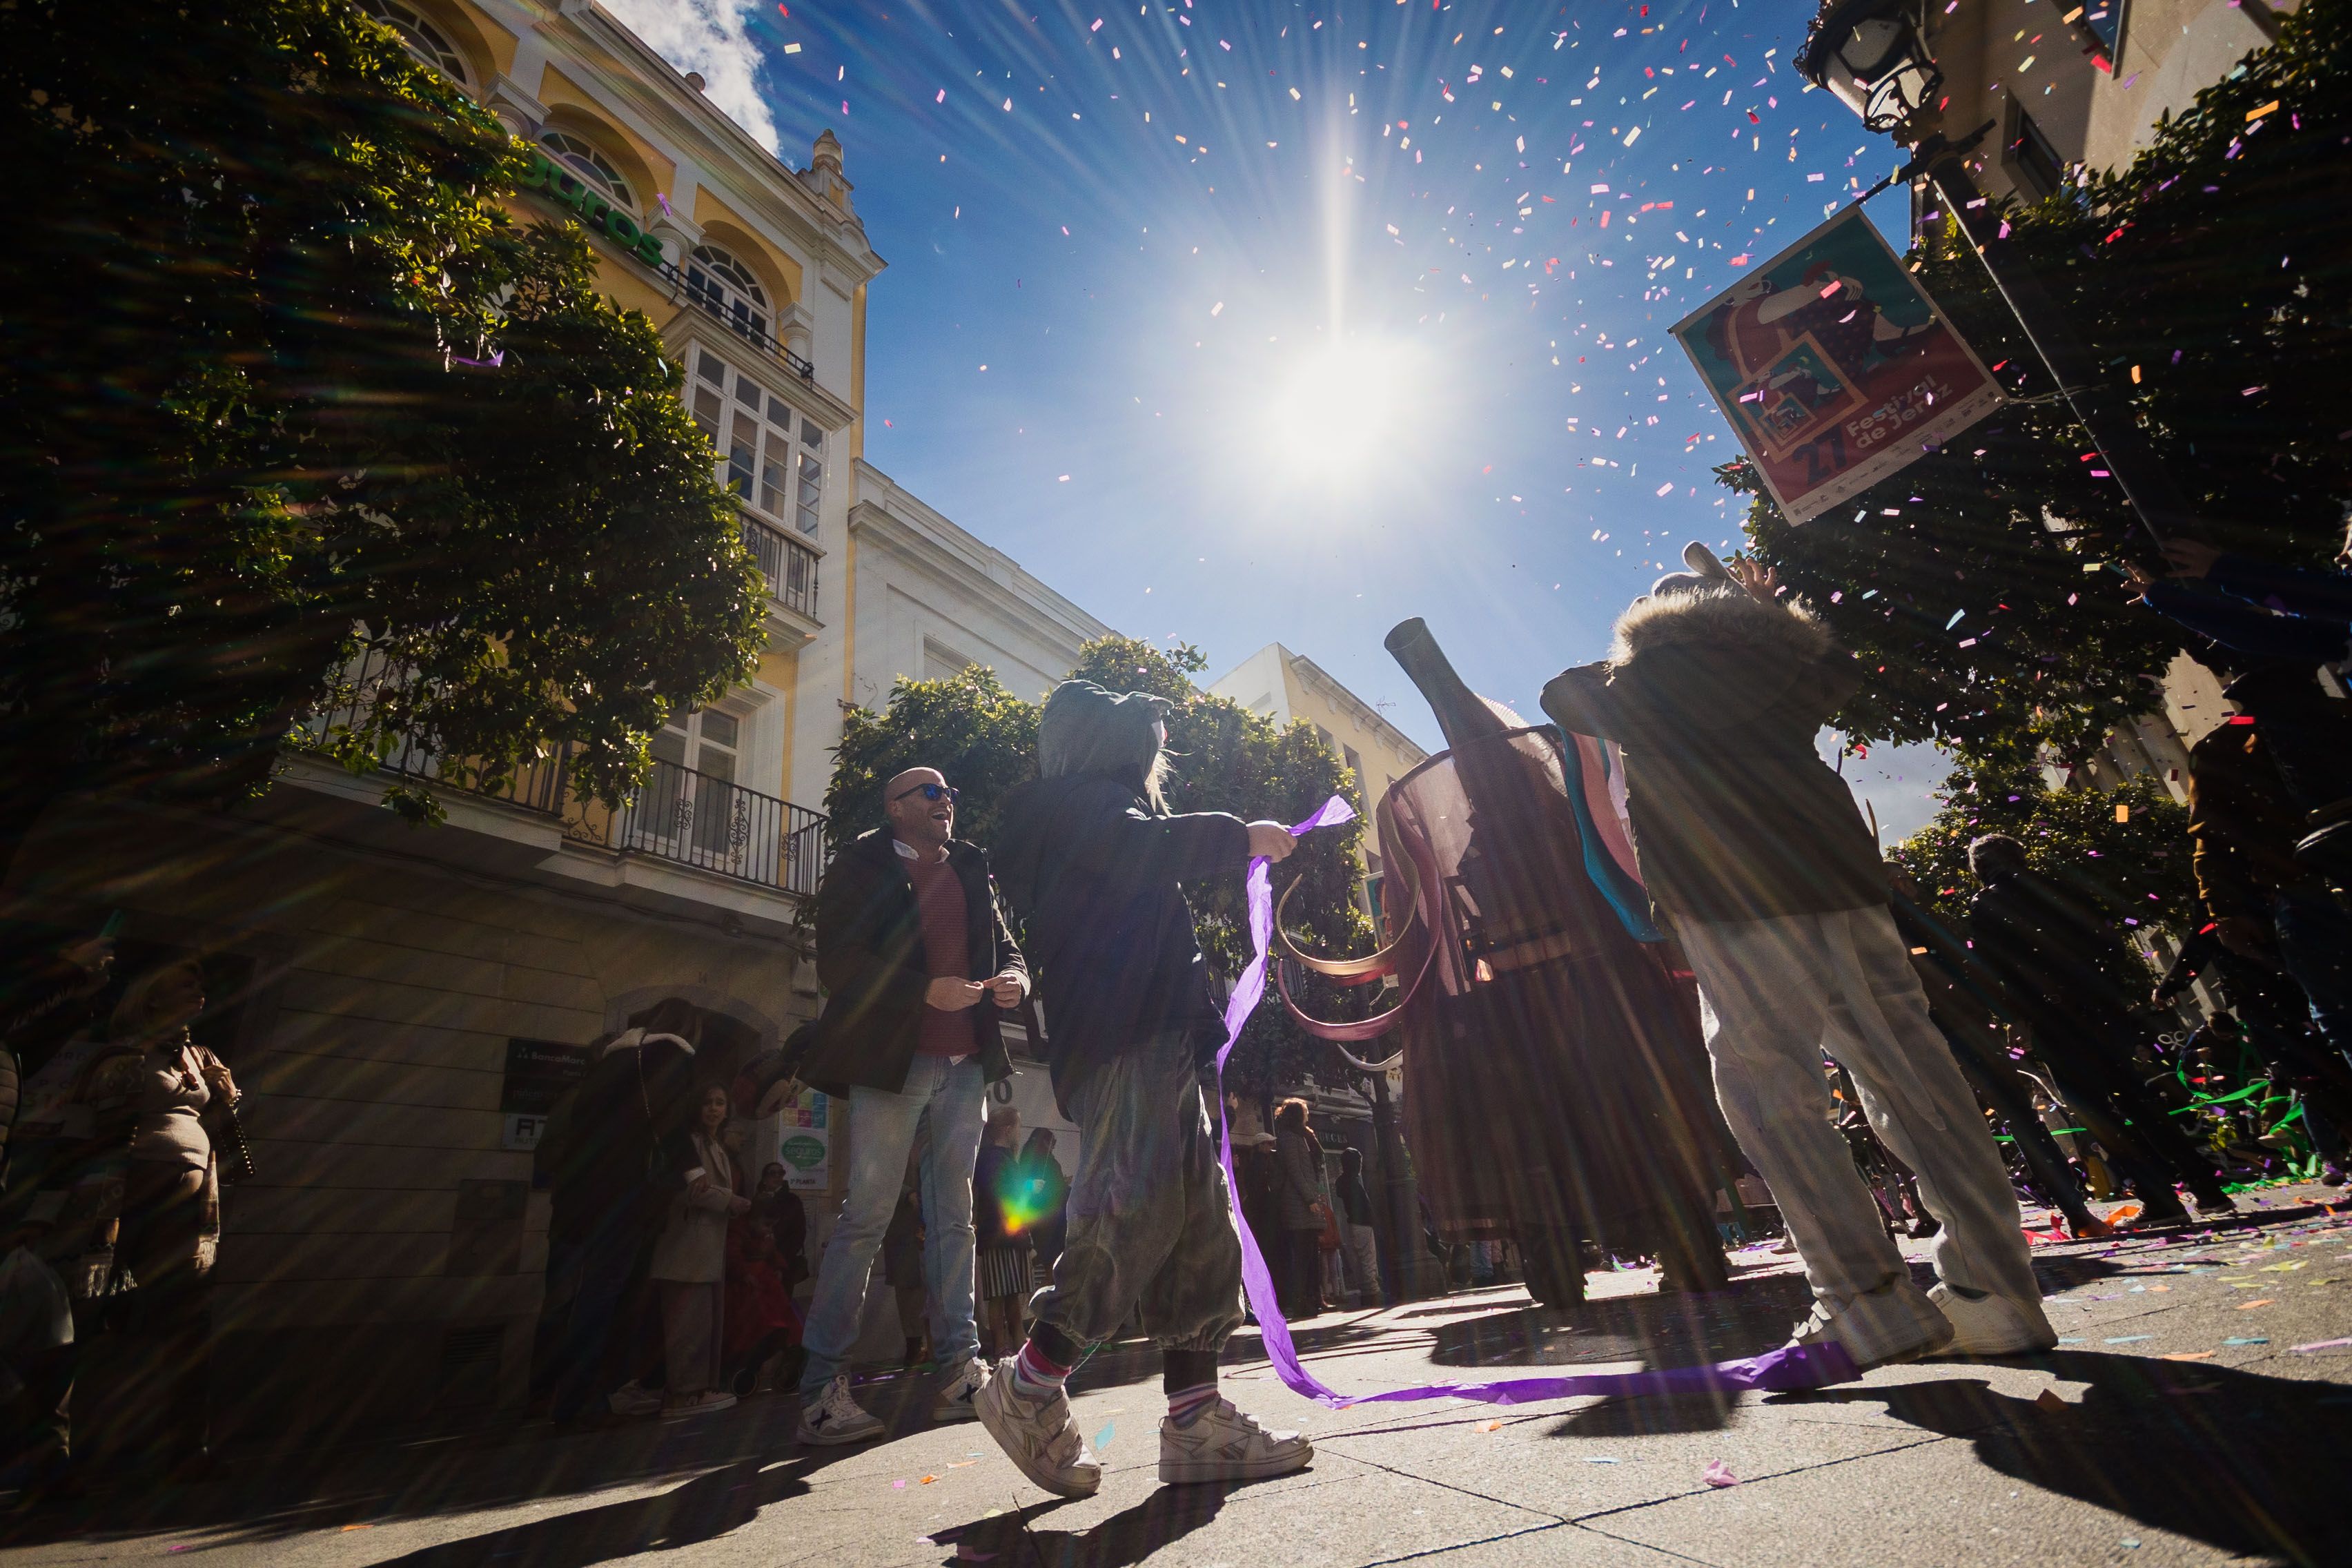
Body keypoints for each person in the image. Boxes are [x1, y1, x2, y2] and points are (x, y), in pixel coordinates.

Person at [1540, 554, 2055, 1368]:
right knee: (1915, 1077)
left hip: (1732, 895)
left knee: (1769, 1089)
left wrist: (1648, 632)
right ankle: (1998, 1291)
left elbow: (1559, 696)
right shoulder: (1784, 667)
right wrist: (1758, 612)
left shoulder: (1644, 683)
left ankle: (1863, 1299)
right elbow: (1837, 665)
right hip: (1841, 883)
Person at [974, 678, 1314, 1497]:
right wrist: (1244, 835)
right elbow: (1144, 848)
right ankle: (1029, 1384)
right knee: (1131, 1212)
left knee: (1199, 1229)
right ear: (1104, 747)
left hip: (1149, 1034)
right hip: (1127, 1035)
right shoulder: (1082, 808)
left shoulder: (1084, 815)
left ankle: (1196, 1418)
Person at [792, 765, 1029, 1444]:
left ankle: (960, 1369)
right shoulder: (862, 865)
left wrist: (1014, 976)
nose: (946, 801)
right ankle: (821, 1390)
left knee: (956, 1215)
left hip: (965, 1063)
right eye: (930, 793)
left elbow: (1006, 945)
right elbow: (838, 960)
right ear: (896, 808)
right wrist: (922, 989)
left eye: (950, 792)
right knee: (865, 1215)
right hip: (894, 1064)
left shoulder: (970, 866)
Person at [1964, 834, 2238, 1227]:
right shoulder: (2059, 887)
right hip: (2099, 1010)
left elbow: (1998, 970)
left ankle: (2161, 1199)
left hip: (2055, 1020)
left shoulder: (1987, 905)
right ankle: (2208, 1191)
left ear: (1978, 870)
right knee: (2139, 1100)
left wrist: (2021, 1017)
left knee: (2097, 1114)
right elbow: (2110, 941)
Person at [1883, 864, 2104, 1238]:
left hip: (1939, 1032)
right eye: (1903, 879)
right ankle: (2071, 1213)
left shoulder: (1889, 926)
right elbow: (1970, 969)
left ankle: (2047, 1215)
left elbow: (1969, 968)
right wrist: (2007, 1014)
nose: (1912, 885)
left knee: (1989, 1124)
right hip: (1950, 1031)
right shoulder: (1908, 922)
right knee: (2012, 1121)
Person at [545, 1001, 701, 1423]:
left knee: (577, 1298)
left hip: (578, 1201)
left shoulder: (606, 1066)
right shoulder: (669, 1056)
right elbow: (669, 1123)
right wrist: (693, 1171)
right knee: (602, 1295)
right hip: (623, 1199)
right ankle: (584, 1400)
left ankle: (564, 1398)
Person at [647, 1083, 747, 1416]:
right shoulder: (689, 1143)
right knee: (687, 1324)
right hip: (687, 1244)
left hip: (705, 1246)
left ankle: (696, 1389)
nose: (714, 1109)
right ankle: (684, 1393)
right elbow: (694, 1190)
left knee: (701, 1321)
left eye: (720, 1103)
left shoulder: (715, 1144)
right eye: (707, 1102)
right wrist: (732, 1201)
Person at [723, 1165, 803, 1398]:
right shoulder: (741, 1231)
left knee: (782, 1319)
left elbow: (775, 1252)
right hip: (749, 1285)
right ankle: (747, 1363)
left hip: (767, 1283)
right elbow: (733, 1253)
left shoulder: (778, 1217)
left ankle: (786, 1349)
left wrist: (779, 1267)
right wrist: (743, 1273)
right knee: (755, 1323)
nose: (769, 1230)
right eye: (766, 1225)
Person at [972, 1105, 1028, 1359]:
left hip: (1003, 1233)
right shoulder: (995, 1158)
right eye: (1017, 1128)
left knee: (1010, 1292)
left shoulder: (991, 1158)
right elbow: (1003, 1195)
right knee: (1000, 1293)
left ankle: (1015, 1339)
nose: (1019, 1133)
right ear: (1007, 1130)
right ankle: (1002, 1343)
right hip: (1000, 1234)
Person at [1271, 1099, 1329, 1319]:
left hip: (1307, 1204)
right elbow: (1295, 1171)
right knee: (1302, 1257)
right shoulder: (1289, 1138)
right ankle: (1301, 1301)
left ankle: (1315, 1299)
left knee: (1311, 1255)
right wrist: (1309, 1199)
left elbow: (1310, 1169)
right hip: (1298, 1206)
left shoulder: (1302, 1136)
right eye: (1304, 1111)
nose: (1307, 1115)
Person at [881, 1180, 929, 1370]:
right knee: (910, 1296)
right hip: (905, 1242)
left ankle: (922, 1349)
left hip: (921, 1238)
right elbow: (882, 1176)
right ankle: (915, 1350)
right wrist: (907, 1192)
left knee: (920, 1296)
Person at [1015, 1128, 1070, 1284]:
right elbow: (1057, 1190)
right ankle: (1045, 1303)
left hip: (1034, 1219)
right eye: (1052, 1145)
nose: (1053, 1149)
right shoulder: (1047, 1160)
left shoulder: (1026, 1157)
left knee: (1043, 1265)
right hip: (1051, 1221)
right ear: (1047, 1141)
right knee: (1051, 1266)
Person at [1335, 1147, 1381, 1306]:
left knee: (1358, 1259)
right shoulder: (1353, 1182)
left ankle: (1366, 1291)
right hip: (1362, 1223)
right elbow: (1362, 1205)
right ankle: (1372, 1292)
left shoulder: (1341, 1182)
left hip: (1351, 1224)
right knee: (1368, 1257)